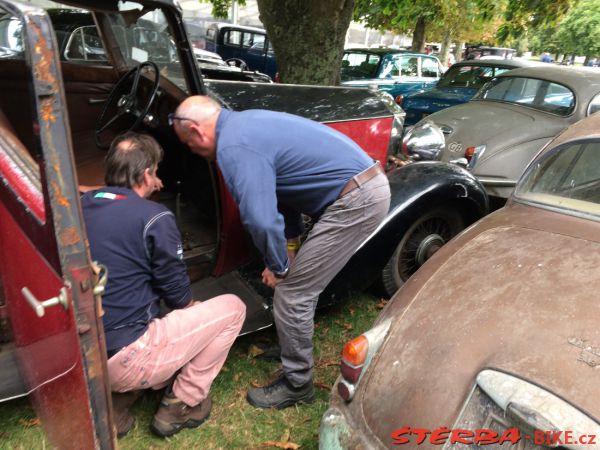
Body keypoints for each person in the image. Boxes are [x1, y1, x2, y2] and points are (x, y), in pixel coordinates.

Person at [171, 96, 391, 409]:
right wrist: (289, 247)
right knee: (296, 285)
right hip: (356, 190)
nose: (192, 150)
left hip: (356, 201)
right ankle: (292, 346)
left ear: (195, 130)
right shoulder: (245, 125)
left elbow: (260, 218)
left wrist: (278, 266)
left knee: (294, 293)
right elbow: (282, 190)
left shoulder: (233, 147)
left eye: (188, 144)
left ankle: (297, 383)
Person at [81, 132, 246, 437]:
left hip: (83, 355)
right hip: (128, 356)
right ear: (146, 174)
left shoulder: (79, 205)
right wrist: (188, 307)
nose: (158, 179)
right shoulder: (154, 218)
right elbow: (175, 290)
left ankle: (114, 405)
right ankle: (181, 403)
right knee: (233, 309)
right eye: (155, 171)